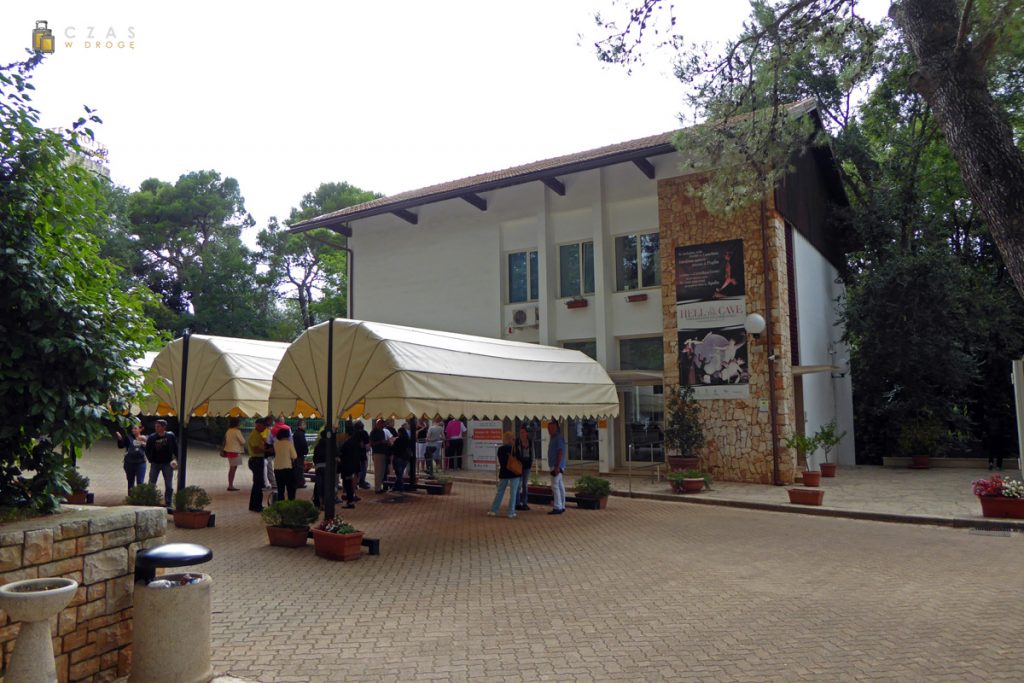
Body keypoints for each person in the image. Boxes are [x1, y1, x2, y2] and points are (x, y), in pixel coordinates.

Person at [144, 419, 177, 507]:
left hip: (167, 464)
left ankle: (168, 502)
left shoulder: (170, 436)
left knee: (169, 485)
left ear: (163, 427)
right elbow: (147, 450)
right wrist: (151, 460)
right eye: (155, 426)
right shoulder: (152, 437)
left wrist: (176, 460)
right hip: (155, 464)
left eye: (158, 426)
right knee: (151, 483)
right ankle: (150, 500)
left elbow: (175, 449)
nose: (156, 428)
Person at [488, 431, 521, 519]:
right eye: (513, 439)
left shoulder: (500, 449)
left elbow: (501, 462)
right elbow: (520, 459)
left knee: (500, 492)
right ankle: (511, 512)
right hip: (514, 473)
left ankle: (493, 510)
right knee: (513, 493)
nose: (514, 440)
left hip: (504, 473)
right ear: (510, 439)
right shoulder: (515, 449)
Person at [340, 422, 369, 508]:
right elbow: (365, 447)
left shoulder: (347, 443)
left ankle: (349, 499)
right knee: (354, 479)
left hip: (347, 466)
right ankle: (352, 496)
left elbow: (341, 453)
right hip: (356, 463)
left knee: (347, 482)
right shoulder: (357, 442)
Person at [117, 424, 147, 494]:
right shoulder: (128, 437)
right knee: (130, 482)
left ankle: (140, 499)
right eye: (132, 428)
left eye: (135, 428)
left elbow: (150, 449)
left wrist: (145, 444)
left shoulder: (145, 438)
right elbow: (121, 446)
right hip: (129, 463)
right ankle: (131, 498)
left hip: (141, 463)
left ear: (141, 429)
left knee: (140, 482)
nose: (133, 430)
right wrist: (120, 439)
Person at [247, 418, 268, 512]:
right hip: (256, 460)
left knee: (257, 483)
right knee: (258, 484)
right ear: (258, 425)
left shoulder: (258, 434)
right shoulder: (255, 435)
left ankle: (254, 505)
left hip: (257, 460)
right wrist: (267, 450)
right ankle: (256, 506)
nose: (265, 428)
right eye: (264, 425)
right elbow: (255, 449)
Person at [273, 425, 298, 501]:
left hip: (277, 468)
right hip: (287, 469)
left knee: (280, 489)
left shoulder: (275, 444)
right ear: (287, 435)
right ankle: (290, 505)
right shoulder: (289, 443)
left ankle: (281, 505)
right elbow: (294, 456)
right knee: (290, 489)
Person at [546, 420, 567, 515]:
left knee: (555, 486)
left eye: (551, 428)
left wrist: (557, 466)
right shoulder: (553, 438)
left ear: (556, 428)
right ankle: (562, 505)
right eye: (549, 428)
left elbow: (560, 452)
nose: (549, 430)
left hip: (556, 465)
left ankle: (557, 506)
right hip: (556, 465)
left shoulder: (558, 438)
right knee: (559, 485)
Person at [222, 416, 246, 491]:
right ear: (237, 423)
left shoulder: (228, 431)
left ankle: (230, 484)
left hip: (229, 451)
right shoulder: (237, 431)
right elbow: (243, 441)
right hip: (235, 451)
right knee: (233, 468)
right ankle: (230, 485)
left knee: (232, 468)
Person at [514, 425, 534, 511]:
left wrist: (531, 462)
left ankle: (524, 503)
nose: (521, 434)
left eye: (523, 432)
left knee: (525, 485)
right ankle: (517, 503)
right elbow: (514, 453)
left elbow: (532, 453)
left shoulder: (530, 441)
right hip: (519, 465)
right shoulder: (517, 441)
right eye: (520, 432)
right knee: (518, 485)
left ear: (526, 433)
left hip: (527, 466)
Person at [391, 420, 413, 494]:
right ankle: (395, 487)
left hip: (398, 458)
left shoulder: (398, 440)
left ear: (399, 432)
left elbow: (393, 448)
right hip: (405, 458)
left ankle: (401, 488)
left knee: (399, 474)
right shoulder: (408, 440)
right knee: (399, 473)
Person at [369, 419, 392, 494]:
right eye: (382, 424)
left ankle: (379, 487)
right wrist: (381, 442)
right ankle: (377, 488)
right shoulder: (374, 432)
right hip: (377, 453)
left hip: (383, 453)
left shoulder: (382, 431)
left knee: (382, 471)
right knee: (378, 471)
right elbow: (372, 443)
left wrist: (386, 443)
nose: (384, 426)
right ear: (378, 424)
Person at [292, 419, 309, 489]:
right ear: (301, 426)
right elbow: (303, 444)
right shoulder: (301, 434)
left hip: (296, 453)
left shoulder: (296, 433)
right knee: (299, 469)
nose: (305, 426)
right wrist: (305, 451)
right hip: (300, 454)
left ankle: (298, 482)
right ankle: (299, 483)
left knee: (297, 468)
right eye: (304, 425)